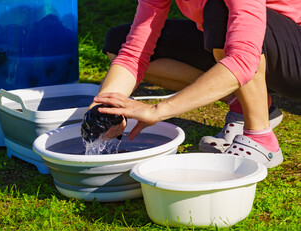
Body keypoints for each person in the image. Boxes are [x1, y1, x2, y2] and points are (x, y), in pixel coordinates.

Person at [88, 0, 301, 168]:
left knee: (219, 11)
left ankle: (261, 138)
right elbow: (134, 55)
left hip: (293, 59)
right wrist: (104, 107)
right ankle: (245, 103)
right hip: (244, 44)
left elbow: (243, 60)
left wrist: (158, 110)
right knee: (119, 41)